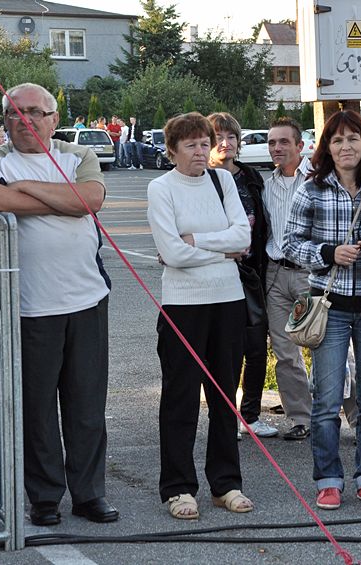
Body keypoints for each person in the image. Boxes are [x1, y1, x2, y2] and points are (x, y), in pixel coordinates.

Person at [0, 82, 118, 526]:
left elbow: (89, 200)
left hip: (87, 298)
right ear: (4, 120)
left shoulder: (78, 156)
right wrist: (60, 201)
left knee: (86, 406)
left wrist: (27, 188)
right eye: (14, 112)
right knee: (37, 410)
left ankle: (89, 495)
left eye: (34, 111)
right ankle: (45, 497)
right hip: (29, 305)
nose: (24, 119)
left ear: (53, 118)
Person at [283, 110, 361, 511]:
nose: (345, 147)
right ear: (327, 147)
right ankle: (328, 479)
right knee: (326, 399)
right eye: (337, 140)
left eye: (353, 139)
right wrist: (327, 253)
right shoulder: (311, 189)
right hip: (330, 305)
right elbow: (289, 244)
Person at [147, 112, 253, 520]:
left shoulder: (222, 180)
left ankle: (225, 483)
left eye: (204, 143)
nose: (200, 150)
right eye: (190, 144)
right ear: (172, 149)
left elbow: (242, 237)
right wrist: (220, 249)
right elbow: (171, 253)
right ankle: (178, 488)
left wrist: (198, 242)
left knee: (226, 394)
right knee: (181, 397)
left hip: (228, 299)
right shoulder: (161, 188)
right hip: (183, 305)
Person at [207, 112, 277, 439]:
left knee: (256, 346)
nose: (226, 143)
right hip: (217, 273)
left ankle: (251, 414)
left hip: (252, 272)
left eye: (232, 136)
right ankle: (227, 416)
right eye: (219, 137)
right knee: (225, 349)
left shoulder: (251, 177)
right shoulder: (201, 178)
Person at [262, 117, 315, 441]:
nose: (277, 148)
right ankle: (301, 418)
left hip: (310, 273)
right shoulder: (265, 185)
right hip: (276, 273)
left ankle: (356, 418)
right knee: (285, 352)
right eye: (272, 143)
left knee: (328, 348)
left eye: (283, 142)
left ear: (300, 146)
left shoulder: (319, 180)